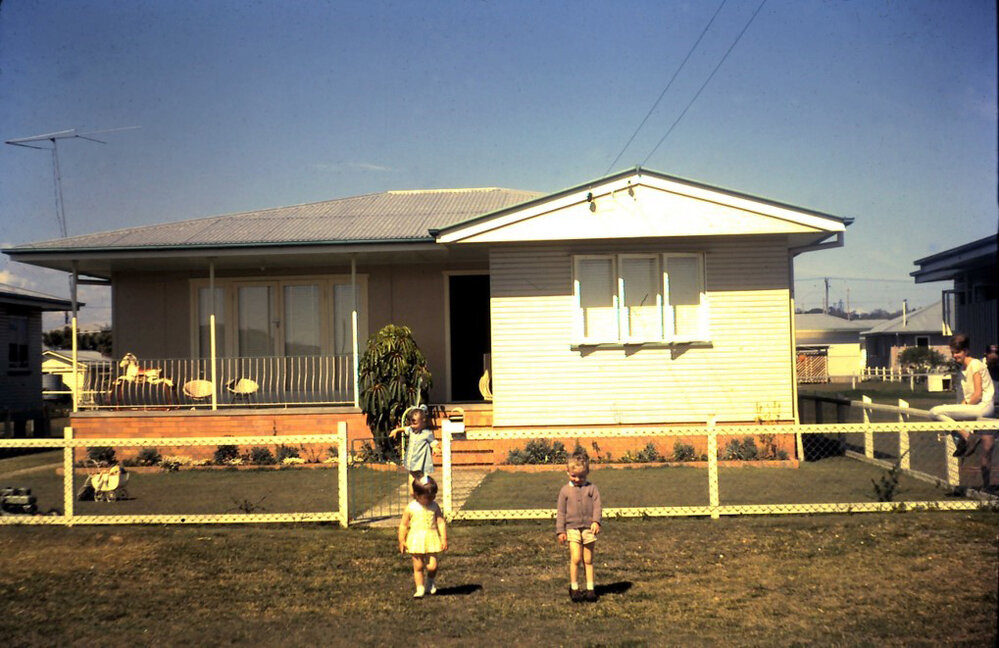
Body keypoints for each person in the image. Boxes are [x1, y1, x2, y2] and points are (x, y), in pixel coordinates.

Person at [929, 335, 995, 475]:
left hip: (982, 407)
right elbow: (967, 396)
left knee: (935, 412)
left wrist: (964, 406)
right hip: (976, 407)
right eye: (952, 352)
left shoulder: (975, 364)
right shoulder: (962, 369)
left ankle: (967, 437)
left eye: (957, 352)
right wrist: (962, 407)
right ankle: (964, 439)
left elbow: (977, 394)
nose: (954, 356)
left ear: (966, 351)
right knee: (944, 417)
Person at [556, 450, 602, 602]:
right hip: (572, 529)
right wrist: (560, 531)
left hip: (588, 529)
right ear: (567, 472)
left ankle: (590, 588)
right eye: (573, 476)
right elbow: (561, 512)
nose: (577, 479)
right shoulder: (565, 491)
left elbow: (597, 507)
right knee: (576, 558)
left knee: (588, 559)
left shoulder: (592, 489)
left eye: (581, 476)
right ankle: (574, 588)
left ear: (587, 473)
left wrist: (596, 521)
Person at [398, 474, 447, 598]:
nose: (431, 499)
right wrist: (402, 540)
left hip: (431, 537)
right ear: (417, 495)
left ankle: (430, 583)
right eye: (427, 497)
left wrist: (444, 538)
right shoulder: (411, 508)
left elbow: (440, 522)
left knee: (432, 566)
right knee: (418, 565)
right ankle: (419, 588)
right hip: (416, 538)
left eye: (433, 496)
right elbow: (403, 525)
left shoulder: (434, 506)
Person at [391, 405, 438, 495]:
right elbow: (405, 428)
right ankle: (413, 493)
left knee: (422, 477)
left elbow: (433, 442)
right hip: (412, 460)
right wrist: (396, 430)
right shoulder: (411, 430)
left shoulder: (426, 433)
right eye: (411, 423)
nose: (412, 426)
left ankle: (424, 493)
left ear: (423, 421)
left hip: (421, 461)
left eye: (415, 423)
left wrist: (435, 448)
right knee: (412, 475)